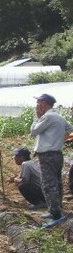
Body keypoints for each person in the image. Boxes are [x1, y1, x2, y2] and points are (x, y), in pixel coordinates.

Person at [30, 93, 73, 226]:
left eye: (39, 103)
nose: (37, 105)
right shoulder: (59, 117)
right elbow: (70, 129)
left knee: (49, 184)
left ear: (44, 104)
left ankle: (55, 214)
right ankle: (55, 208)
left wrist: (37, 117)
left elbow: (33, 132)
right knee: (57, 182)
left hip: (47, 154)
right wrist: (59, 139)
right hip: (57, 153)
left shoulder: (47, 117)